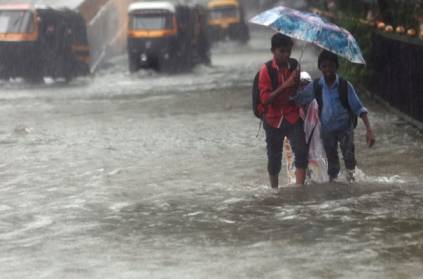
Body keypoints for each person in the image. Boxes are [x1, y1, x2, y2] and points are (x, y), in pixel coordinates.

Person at [293, 50, 376, 182]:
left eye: (331, 65)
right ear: (319, 67)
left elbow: (360, 109)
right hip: (327, 130)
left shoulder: (345, 86)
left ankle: (352, 180)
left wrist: (369, 130)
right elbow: (299, 100)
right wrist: (293, 82)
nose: (328, 69)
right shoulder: (316, 86)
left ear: (336, 67)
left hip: (345, 129)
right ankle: (334, 185)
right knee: (332, 161)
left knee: (349, 157)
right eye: (324, 66)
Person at [258, 33, 308, 188]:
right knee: (274, 158)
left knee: (301, 151)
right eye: (282, 51)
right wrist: (285, 85)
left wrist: (298, 85)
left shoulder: (295, 66)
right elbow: (265, 99)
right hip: (273, 119)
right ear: (273, 51)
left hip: (292, 115)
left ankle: (300, 188)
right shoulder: (266, 71)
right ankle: (274, 190)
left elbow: (296, 94)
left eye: (288, 51)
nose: (286, 55)